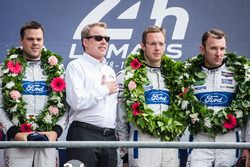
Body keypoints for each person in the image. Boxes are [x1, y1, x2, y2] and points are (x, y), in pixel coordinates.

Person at [0, 21, 68, 167]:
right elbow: (0, 107)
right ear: (21, 41)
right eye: (30, 39)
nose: (35, 43)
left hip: (47, 141)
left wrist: (55, 132)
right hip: (18, 142)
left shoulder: (57, 68)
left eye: (39, 39)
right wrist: (13, 133)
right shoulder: (5, 69)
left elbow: (65, 105)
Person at [116, 26, 184, 167]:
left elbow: (183, 112)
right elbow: (121, 120)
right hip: (142, 146)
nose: (157, 48)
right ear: (142, 46)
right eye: (152, 43)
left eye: (161, 44)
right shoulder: (128, 76)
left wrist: (175, 135)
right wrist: (124, 156)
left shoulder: (176, 76)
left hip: (169, 145)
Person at [185, 29, 250, 167]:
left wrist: (247, 145)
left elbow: (248, 114)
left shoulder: (239, 74)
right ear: (202, 49)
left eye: (222, 48)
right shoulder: (188, 74)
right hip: (200, 138)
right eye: (213, 48)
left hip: (229, 139)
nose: (219, 53)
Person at [65, 22, 119, 167]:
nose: (104, 42)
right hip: (84, 134)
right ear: (85, 42)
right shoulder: (76, 66)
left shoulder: (110, 70)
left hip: (110, 136)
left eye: (106, 39)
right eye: (98, 38)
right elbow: (76, 102)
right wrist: (104, 89)